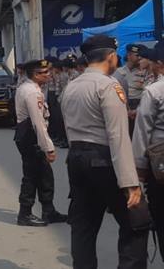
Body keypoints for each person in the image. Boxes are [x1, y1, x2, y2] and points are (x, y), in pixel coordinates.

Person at [60, 35, 148, 268]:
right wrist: (130, 183)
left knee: (83, 226)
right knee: (135, 222)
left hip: (77, 158)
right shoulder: (108, 85)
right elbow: (118, 136)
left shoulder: (72, 85)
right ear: (110, 57)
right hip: (103, 158)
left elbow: (68, 127)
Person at [13, 59, 67, 226]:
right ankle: (25, 214)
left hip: (28, 134)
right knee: (32, 176)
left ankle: (48, 211)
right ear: (36, 75)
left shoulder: (29, 87)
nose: (48, 75)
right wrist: (48, 148)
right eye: (44, 73)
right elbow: (38, 123)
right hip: (31, 136)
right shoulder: (32, 92)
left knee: (45, 176)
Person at [132, 41, 164, 254]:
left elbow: (142, 131)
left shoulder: (154, 91)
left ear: (159, 63)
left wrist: (139, 168)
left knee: (161, 215)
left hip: (160, 165)